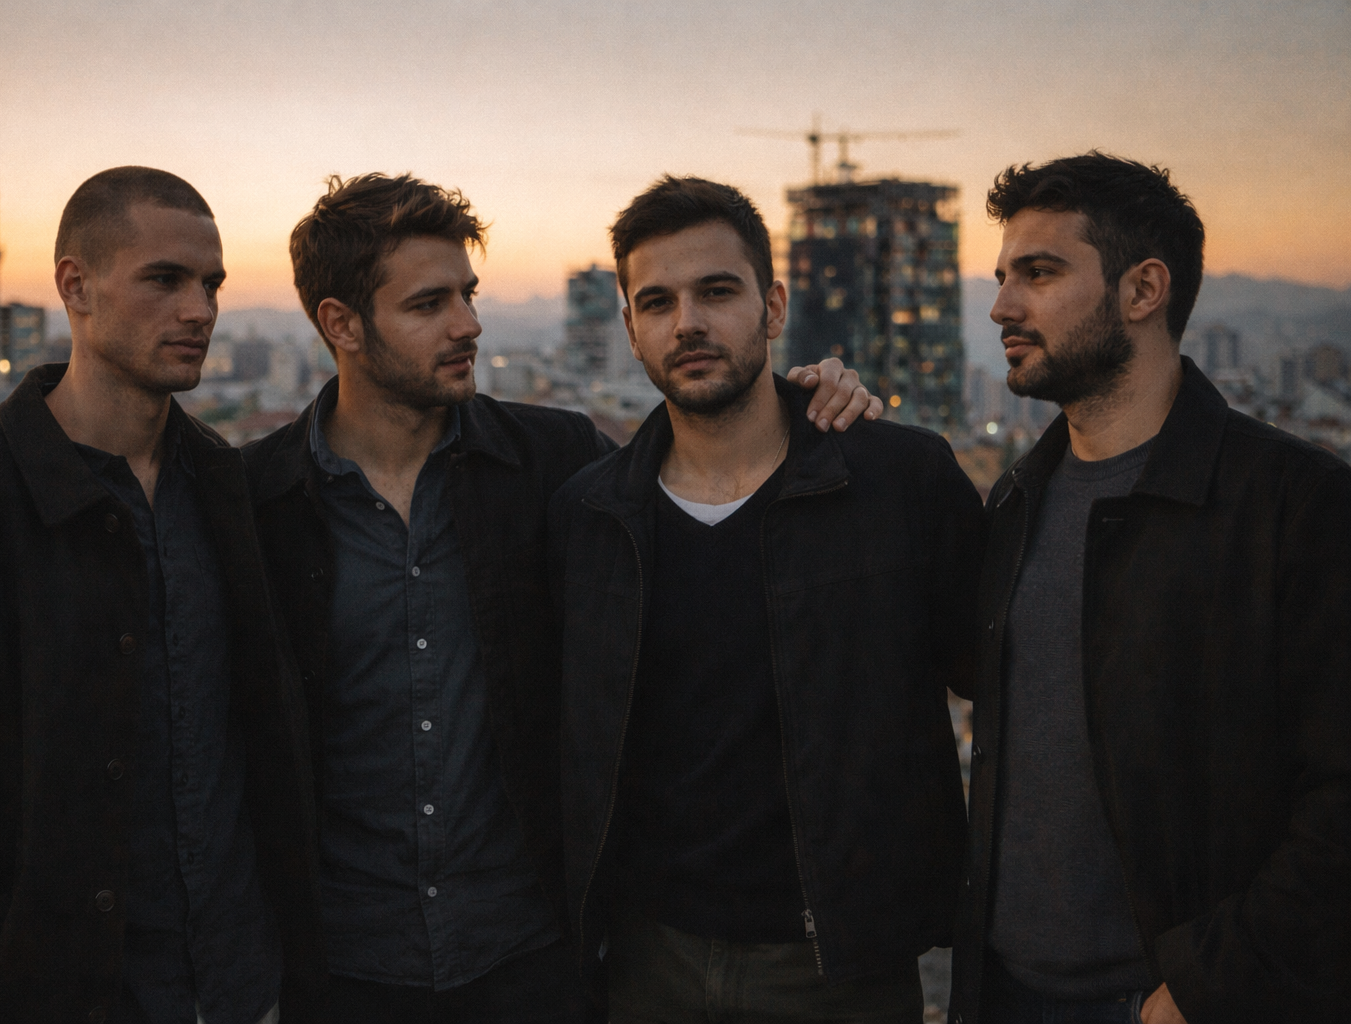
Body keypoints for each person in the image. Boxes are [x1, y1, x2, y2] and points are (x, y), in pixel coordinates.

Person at [240, 172, 877, 1023]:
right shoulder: (255, 501)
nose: (468, 323)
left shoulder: (557, 464)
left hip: (533, 959)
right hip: (342, 968)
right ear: (341, 324)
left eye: (468, 294)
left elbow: (712, 490)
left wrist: (811, 400)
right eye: (429, 304)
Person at [0, 167, 320, 1024]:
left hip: (232, 989)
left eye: (210, 284)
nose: (199, 310)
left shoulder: (224, 487)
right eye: (164, 280)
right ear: (76, 286)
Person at [547, 175, 986, 1023]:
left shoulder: (897, 482)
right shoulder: (590, 517)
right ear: (630, 329)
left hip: (837, 964)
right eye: (657, 302)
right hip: (648, 961)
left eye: (717, 292)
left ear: (774, 307)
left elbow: (999, 686)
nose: (688, 323)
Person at [949, 153, 1351, 1024]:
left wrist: (1205, 985)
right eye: (1003, 276)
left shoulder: (1293, 504)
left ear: (1143, 290)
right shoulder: (1016, 499)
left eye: (1038, 273)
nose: (1002, 307)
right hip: (1006, 993)